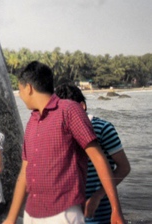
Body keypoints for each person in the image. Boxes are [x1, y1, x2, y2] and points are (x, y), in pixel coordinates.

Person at [3, 61, 125, 224]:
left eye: (20, 89)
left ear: (29, 88)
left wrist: (116, 209)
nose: (20, 95)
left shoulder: (69, 110)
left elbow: (98, 158)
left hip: (63, 213)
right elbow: (25, 172)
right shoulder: (32, 121)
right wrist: (11, 218)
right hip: (32, 214)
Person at [55, 83, 131, 224]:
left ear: (82, 106)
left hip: (99, 212)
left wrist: (98, 196)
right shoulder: (57, 132)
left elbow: (124, 167)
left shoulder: (102, 129)